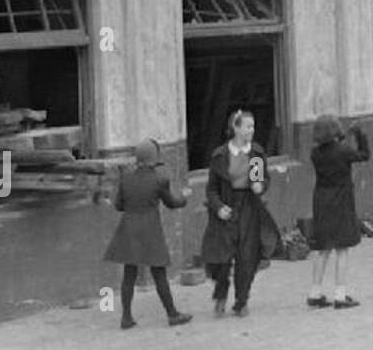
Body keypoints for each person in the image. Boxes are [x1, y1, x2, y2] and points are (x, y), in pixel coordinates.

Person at [103, 138, 192, 329]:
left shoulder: (126, 178)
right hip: (150, 229)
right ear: (154, 158)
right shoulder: (160, 179)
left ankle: (126, 317)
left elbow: (119, 205)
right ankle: (172, 314)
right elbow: (171, 203)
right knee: (159, 273)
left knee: (129, 274)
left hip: (128, 228)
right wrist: (184, 198)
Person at [201, 109, 280, 318]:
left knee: (247, 256)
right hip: (227, 204)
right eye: (247, 126)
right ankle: (220, 294)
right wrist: (218, 207)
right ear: (235, 128)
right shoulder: (220, 156)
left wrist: (260, 187)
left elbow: (262, 180)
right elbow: (211, 189)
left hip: (249, 207)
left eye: (253, 127)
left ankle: (241, 300)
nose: (251, 131)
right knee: (222, 257)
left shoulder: (255, 153)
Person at [307, 117, 369, 308]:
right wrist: (360, 134)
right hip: (341, 200)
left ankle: (315, 293)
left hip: (321, 199)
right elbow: (364, 155)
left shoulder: (314, 153)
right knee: (342, 248)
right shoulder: (343, 151)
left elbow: (332, 150)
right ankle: (340, 295)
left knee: (322, 248)